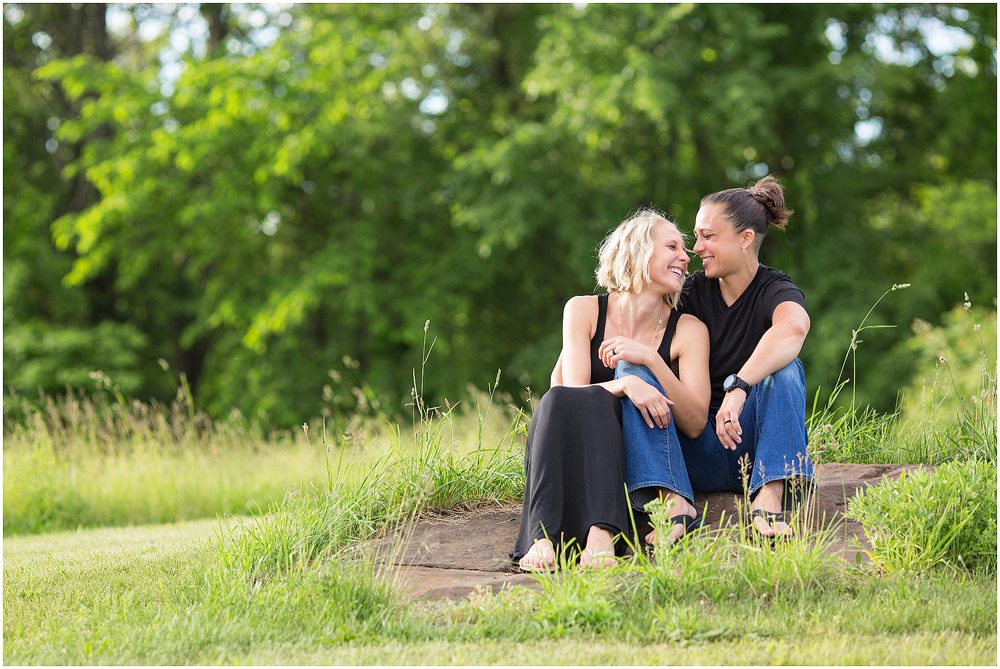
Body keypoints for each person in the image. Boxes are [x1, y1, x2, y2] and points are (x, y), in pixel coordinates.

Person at [512, 209, 710, 572]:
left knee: (608, 388)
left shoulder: (689, 329)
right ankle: (541, 538)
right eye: (672, 247)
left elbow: (696, 422)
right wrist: (626, 384)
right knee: (559, 399)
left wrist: (651, 362)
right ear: (637, 250)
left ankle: (602, 534)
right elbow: (571, 395)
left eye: (684, 250)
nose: (686, 257)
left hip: (642, 459)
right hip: (582, 448)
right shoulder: (583, 309)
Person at [676, 175, 815, 539]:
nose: (697, 248)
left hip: (754, 450)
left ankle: (770, 497)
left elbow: (793, 329)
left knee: (785, 368)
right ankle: (670, 502)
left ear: (745, 238)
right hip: (698, 447)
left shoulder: (774, 287)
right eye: (697, 236)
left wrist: (739, 387)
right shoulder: (691, 292)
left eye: (708, 236)